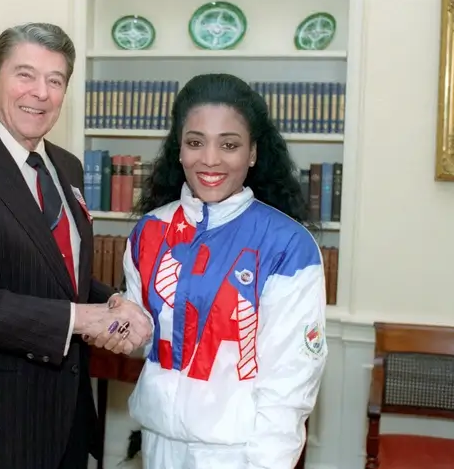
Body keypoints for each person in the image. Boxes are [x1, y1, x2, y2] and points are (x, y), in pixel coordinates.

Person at [0, 22, 152, 469]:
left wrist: (112, 301)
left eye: (55, 80)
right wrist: (83, 318)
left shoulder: (67, 167)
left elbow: (61, 276)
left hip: (67, 416)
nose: (40, 92)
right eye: (25, 74)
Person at [120, 73, 328, 469]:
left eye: (229, 145)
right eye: (195, 142)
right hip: (157, 444)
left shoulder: (288, 244)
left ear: (252, 153)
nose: (210, 159)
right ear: (178, 149)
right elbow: (146, 344)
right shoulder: (149, 232)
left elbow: (290, 383)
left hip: (239, 454)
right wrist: (119, 324)